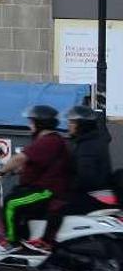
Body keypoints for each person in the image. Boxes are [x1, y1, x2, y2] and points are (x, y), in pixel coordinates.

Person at [0, 105, 71, 256]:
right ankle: (23, 240)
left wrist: (1, 171)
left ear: (41, 123)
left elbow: (21, 157)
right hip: (39, 186)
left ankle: (11, 243)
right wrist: (16, 171)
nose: (29, 125)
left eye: (32, 122)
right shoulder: (49, 140)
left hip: (46, 191)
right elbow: (37, 163)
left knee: (11, 203)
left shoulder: (48, 141)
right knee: (16, 196)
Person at [43, 106, 113, 249]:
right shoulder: (95, 140)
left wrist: (68, 188)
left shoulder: (86, 146)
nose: (69, 125)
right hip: (98, 192)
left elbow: (86, 176)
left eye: (73, 122)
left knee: (55, 208)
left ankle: (46, 243)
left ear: (82, 125)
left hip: (90, 195)